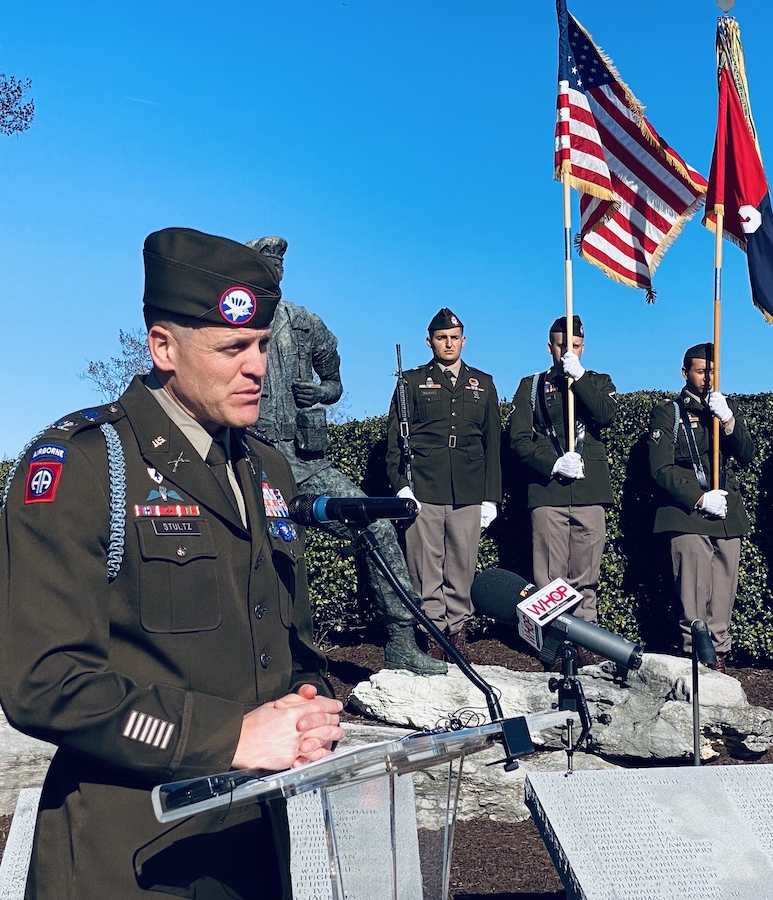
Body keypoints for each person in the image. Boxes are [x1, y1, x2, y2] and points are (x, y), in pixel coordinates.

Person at [0, 227, 345, 898]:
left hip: (251, 844)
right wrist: (226, 736)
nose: (258, 367)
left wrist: (311, 701)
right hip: (131, 855)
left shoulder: (266, 469)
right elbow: (43, 679)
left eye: (263, 345)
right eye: (233, 347)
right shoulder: (87, 464)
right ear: (163, 347)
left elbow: (284, 642)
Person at [245, 236, 444, 676]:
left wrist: (320, 391)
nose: (272, 274)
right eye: (264, 267)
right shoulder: (233, 321)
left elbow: (334, 382)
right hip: (249, 462)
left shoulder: (303, 323)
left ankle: (400, 639)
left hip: (305, 462)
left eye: (277, 268)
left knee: (372, 522)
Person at [386, 308, 502, 658]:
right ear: (430, 342)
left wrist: (491, 497)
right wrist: (400, 485)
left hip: (468, 486)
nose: (448, 344)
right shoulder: (410, 380)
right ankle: (433, 630)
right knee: (425, 565)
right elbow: (395, 439)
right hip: (424, 483)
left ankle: (457, 629)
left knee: (462, 563)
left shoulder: (483, 382)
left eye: (454, 338)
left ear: (463, 341)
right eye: (441, 338)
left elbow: (492, 443)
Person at [649, 342, 755, 672]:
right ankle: (695, 661)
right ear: (685, 373)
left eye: (712, 371)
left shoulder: (726, 407)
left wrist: (728, 420)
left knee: (723, 595)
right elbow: (660, 468)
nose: (707, 377)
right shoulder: (670, 412)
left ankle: (719, 658)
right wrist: (698, 497)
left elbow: (749, 454)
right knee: (693, 598)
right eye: (700, 371)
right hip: (689, 515)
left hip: (727, 516)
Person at [509, 315, 617, 636]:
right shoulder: (531, 386)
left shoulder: (598, 381)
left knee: (587, 575)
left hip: (589, 490)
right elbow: (519, 439)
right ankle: (555, 640)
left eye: (576, 345)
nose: (568, 351)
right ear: (549, 347)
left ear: (583, 347)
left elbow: (606, 415)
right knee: (549, 577)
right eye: (561, 345)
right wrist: (552, 464)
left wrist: (579, 378)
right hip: (548, 490)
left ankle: (587, 639)